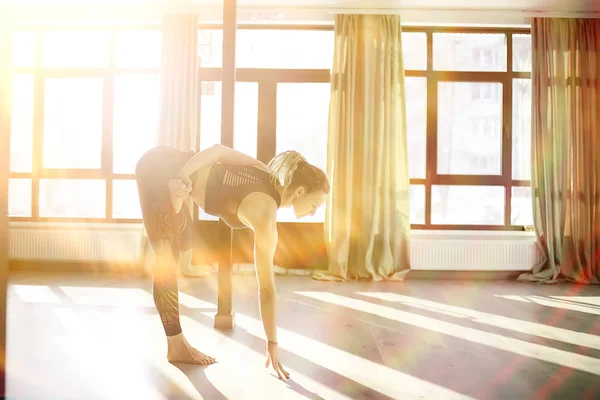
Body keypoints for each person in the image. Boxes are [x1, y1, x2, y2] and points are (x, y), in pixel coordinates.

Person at [135, 144, 330, 379]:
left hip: (170, 168)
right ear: (299, 192)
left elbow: (218, 153)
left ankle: (174, 201)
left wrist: (181, 180)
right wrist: (272, 343)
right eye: (315, 205)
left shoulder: (264, 172)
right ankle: (176, 345)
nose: (313, 212)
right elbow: (267, 290)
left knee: (185, 242)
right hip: (158, 166)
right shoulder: (266, 219)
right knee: (167, 257)